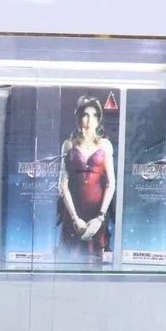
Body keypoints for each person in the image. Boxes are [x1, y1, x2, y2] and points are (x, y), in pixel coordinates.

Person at [57, 96, 115, 259]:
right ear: (79, 117)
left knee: (95, 259)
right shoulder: (69, 145)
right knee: (68, 259)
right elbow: (62, 185)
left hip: (97, 213)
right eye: (85, 115)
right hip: (73, 212)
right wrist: (75, 218)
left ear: (99, 119)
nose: (90, 120)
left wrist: (100, 217)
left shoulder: (105, 145)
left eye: (94, 115)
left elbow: (111, 183)